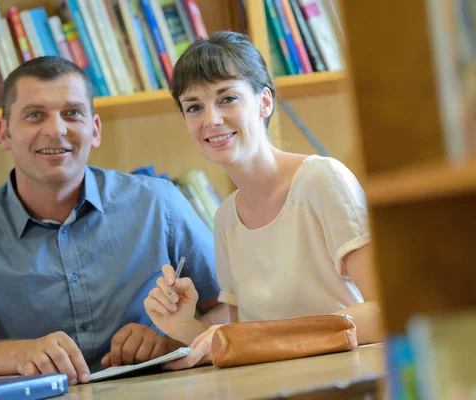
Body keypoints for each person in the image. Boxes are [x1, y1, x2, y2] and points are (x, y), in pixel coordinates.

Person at [0, 56, 226, 385]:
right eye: (35, 115)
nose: (56, 130)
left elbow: (231, 310)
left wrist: (174, 341)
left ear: (94, 130)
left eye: (72, 113)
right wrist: (24, 354)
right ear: (4, 133)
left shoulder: (158, 203)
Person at [144, 31, 381, 369]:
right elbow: (247, 340)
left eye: (227, 98)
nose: (211, 119)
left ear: (264, 102)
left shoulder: (320, 178)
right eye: (194, 107)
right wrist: (186, 327)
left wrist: (262, 336)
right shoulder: (226, 217)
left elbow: (385, 310)